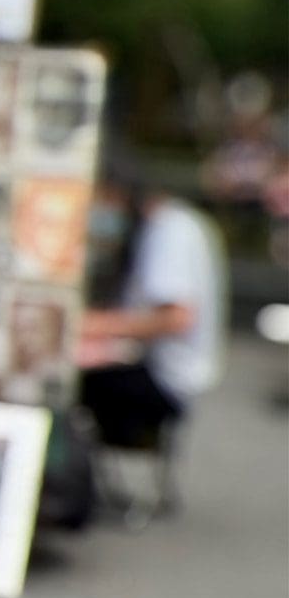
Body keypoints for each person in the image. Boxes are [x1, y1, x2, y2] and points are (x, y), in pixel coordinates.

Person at [79, 152, 226, 449]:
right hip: (159, 374)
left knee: (63, 390)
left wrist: (95, 325)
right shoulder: (166, 226)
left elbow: (177, 318)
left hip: (165, 382)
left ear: (117, 192)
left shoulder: (169, 230)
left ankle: (62, 486)